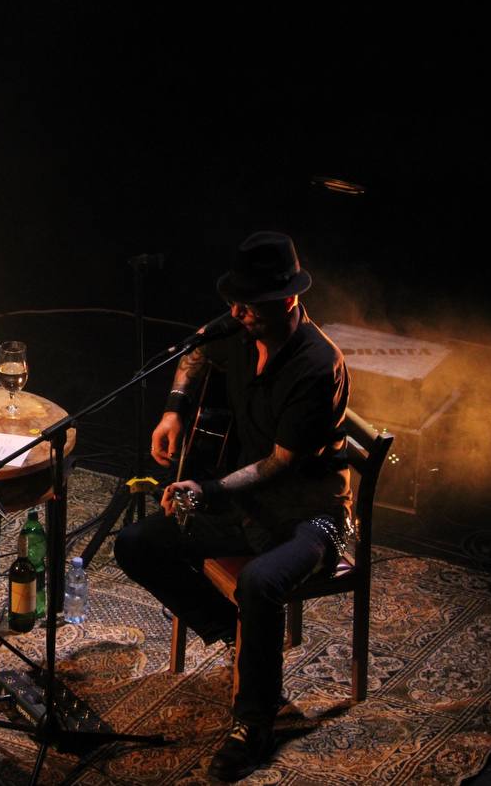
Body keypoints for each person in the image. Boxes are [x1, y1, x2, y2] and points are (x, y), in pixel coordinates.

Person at [114, 231, 350, 782]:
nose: (237, 312)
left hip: (312, 518)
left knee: (261, 582)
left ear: (287, 299)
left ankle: (256, 724)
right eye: (234, 301)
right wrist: (175, 408)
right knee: (137, 543)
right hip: (250, 510)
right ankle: (234, 636)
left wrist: (208, 490)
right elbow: (197, 345)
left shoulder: (319, 366)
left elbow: (281, 463)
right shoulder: (240, 330)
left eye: (250, 304)